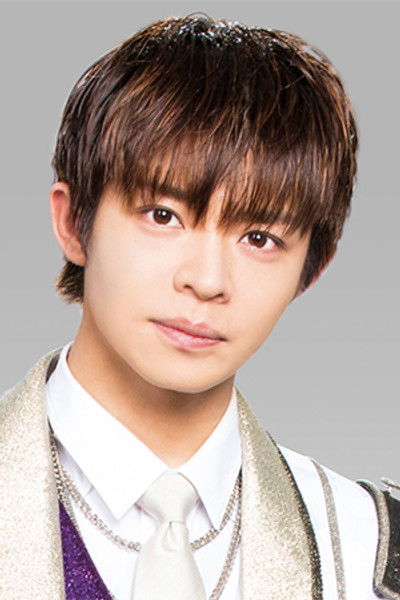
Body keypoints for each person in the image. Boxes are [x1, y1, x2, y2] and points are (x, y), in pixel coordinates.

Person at [0, 13, 398, 600]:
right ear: (73, 222)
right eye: (163, 216)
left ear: (311, 270)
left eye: (259, 238)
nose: (208, 281)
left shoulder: (365, 549)